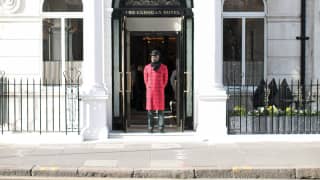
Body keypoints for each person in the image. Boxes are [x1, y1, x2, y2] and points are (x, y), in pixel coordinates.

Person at [144, 50, 168, 133]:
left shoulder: (164, 67)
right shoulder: (147, 67)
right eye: (152, 56)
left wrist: (161, 87)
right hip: (150, 91)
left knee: (160, 110)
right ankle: (150, 128)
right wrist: (149, 87)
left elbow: (165, 80)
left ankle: (161, 127)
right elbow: (145, 79)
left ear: (158, 57)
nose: (153, 57)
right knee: (150, 110)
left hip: (159, 91)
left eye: (155, 56)